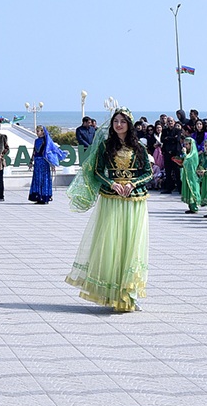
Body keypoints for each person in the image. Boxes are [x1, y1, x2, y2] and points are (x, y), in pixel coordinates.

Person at [65, 108, 151, 313]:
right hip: (111, 199)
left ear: (129, 124)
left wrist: (132, 184)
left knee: (132, 244)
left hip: (134, 200)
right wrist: (112, 183)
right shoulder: (105, 146)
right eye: (116, 121)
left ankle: (129, 293)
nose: (119, 125)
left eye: (123, 121)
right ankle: (111, 293)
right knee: (112, 243)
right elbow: (96, 171)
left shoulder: (139, 147)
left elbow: (148, 173)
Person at [29, 126, 67, 204]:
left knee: (44, 179)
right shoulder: (36, 140)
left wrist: (52, 164)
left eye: (38, 131)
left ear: (42, 132)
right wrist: (31, 161)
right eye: (36, 131)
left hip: (44, 162)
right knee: (37, 179)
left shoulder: (46, 141)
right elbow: (34, 151)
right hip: (37, 162)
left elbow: (49, 153)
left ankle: (45, 197)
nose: (37, 133)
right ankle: (38, 197)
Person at [180, 134, 201, 214]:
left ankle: (194, 207)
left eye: (187, 144)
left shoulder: (193, 154)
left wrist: (184, 153)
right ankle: (190, 207)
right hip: (187, 174)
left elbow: (187, 161)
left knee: (192, 188)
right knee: (188, 189)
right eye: (184, 144)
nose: (185, 146)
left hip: (192, 175)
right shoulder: (189, 153)